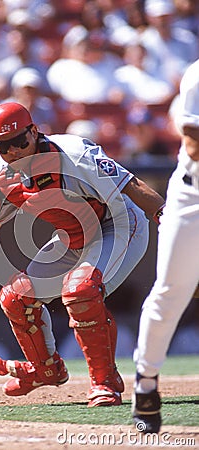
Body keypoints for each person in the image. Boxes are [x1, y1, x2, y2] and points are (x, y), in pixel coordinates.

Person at [0, 101, 164, 408]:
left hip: (117, 223)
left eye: (19, 142)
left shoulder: (75, 155)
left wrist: (165, 217)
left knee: (80, 291)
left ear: (34, 132)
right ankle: (45, 369)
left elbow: (132, 185)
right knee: (15, 296)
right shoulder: (6, 177)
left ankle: (104, 382)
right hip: (74, 236)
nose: (13, 152)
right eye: (3, 146)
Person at [132, 58, 199, 433]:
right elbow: (193, 143)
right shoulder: (197, 76)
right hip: (194, 197)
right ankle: (146, 381)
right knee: (172, 292)